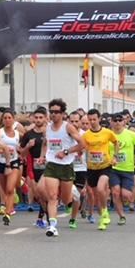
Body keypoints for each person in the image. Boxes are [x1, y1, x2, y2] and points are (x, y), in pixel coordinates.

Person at [38, 98, 84, 237]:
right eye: (51, 112)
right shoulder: (47, 127)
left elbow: (82, 144)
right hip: (52, 165)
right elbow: (46, 143)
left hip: (66, 166)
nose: (53, 115)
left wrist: (65, 152)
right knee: (52, 197)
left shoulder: (68, 127)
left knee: (65, 199)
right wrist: (42, 156)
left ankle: (73, 193)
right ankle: (52, 226)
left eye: (57, 112)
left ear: (63, 113)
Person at [82, 109, 119, 231]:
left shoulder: (107, 132)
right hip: (92, 167)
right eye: (90, 119)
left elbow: (116, 143)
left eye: (94, 119)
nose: (92, 122)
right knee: (96, 195)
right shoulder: (86, 135)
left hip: (105, 166)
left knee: (100, 187)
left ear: (99, 119)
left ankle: (104, 212)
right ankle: (103, 214)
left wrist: (115, 157)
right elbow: (82, 147)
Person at [109, 112, 135, 228]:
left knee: (126, 195)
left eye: (120, 120)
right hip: (113, 168)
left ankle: (125, 204)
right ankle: (121, 215)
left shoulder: (131, 134)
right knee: (115, 192)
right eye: (115, 120)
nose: (117, 123)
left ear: (124, 122)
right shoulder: (108, 134)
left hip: (128, 169)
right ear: (111, 122)